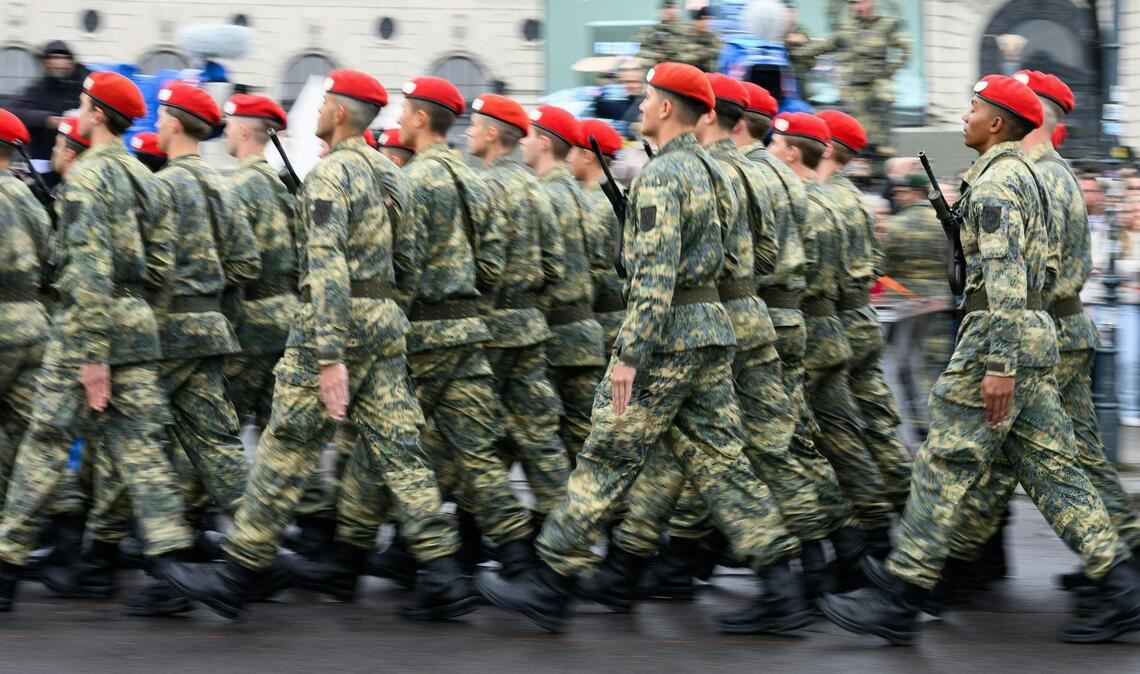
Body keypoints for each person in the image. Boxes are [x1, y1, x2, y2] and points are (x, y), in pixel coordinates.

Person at [476, 62, 810, 637]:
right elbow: (744, 262)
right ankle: (782, 584)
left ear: (663, 109)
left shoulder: (662, 175)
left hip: (668, 336)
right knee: (722, 463)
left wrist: (630, 354)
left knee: (607, 452)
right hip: (711, 327)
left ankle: (551, 579)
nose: (639, 104)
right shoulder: (718, 171)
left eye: (648, 96)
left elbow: (653, 274)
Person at [818, 74, 1140, 646]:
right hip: (1031, 336)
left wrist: (1000, 364)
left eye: (972, 107)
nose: (963, 117)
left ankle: (904, 592)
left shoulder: (999, 185)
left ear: (997, 123)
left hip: (999, 335)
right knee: (1053, 469)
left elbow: (1008, 278)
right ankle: (1121, 585)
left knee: (945, 462)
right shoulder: (1025, 174)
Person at [174, 70, 474, 622]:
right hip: (383, 323)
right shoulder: (392, 175)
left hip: (331, 326)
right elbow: (407, 263)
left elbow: (327, 263)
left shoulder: (328, 176)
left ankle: (238, 571)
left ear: (339, 113)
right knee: (402, 453)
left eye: (321, 107)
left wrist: (331, 353)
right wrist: (385, 316)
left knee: (286, 445)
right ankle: (443, 573)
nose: (314, 116)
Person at [581, 73, 838, 616]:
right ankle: (805, 567)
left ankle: (638, 563)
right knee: (737, 446)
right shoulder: (768, 173)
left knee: (710, 450)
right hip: (760, 315)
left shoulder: (709, 170)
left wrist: (703, 291)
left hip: (706, 321)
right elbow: (767, 257)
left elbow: (670, 265)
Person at [289, 75, 537, 592]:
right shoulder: (477, 178)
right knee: (476, 451)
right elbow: (491, 264)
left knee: (383, 444)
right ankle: (519, 563)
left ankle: (351, 558)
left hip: (425, 334)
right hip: (469, 328)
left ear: (421, 119)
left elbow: (401, 261)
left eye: (404, 112)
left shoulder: (414, 180)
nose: (398, 121)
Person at [0, 71, 203, 612]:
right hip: (135, 321)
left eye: (85, 103)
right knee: (142, 443)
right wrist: (135, 316)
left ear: (94, 114)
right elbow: (161, 265)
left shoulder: (87, 179)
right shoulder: (146, 177)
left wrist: (93, 353)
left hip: (84, 329)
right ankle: (170, 563)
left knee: (43, 443)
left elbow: (87, 268)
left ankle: (6, 564)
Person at [942, 71, 1140, 603]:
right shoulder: (1045, 170)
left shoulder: (1040, 174)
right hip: (1054, 327)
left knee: (1041, 456)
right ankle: (1113, 562)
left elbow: (1024, 274)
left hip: (1044, 327)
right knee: (1055, 455)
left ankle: (1116, 566)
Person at [733, 83, 870, 582]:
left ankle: (828, 547)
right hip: (819, 321)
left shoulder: (778, 186)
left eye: (777, 144)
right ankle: (843, 541)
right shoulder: (831, 197)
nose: (771, 150)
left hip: (787, 321)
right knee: (816, 435)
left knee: (783, 441)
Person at [768, 112, 895, 554]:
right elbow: (874, 264)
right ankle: (876, 521)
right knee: (853, 429)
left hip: (818, 322)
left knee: (803, 434)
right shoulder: (854, 198)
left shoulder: (808, 200)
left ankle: (833, 536)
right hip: (851, 318)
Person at [465, 93, 571, 522]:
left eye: (474, 126)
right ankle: (562, 527)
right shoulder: (536, 188)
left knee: (469, 433)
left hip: (491, 329)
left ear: (492, 135)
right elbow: (555, 265)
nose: (468, 133)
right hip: (530, 327)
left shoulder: (482, 187)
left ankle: (482, 533)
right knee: (538, 434)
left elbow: (474, 265)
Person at [817, 109, 913, 515]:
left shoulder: (822, 195)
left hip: (834, 320)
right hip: (860, 318)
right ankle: (911, 501)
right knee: (875, 421)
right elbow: (874, 263)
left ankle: (864, 517)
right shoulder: (858, 198)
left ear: (826, 146)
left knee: (831, 425)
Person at [521, 105, 607, 462]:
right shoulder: (587, 198)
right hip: (585, 331)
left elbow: (534, 269)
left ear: (543, 143)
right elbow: (602, 268)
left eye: (527, 135)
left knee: (532, 430)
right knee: (583, 437)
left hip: (553, 333)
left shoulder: (541, 195)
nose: (522, 143)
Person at [219, 94, 300, 434]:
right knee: (280, 438)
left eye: (227, 126)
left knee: (216, 434)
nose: (225, 133)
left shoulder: (238, 187)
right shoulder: (279, 184)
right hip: (286, 318)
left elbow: (232, 263)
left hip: (250, 325)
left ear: (241, 130)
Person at [798, 0, 911, 161]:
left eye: (860, 3)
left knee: (884, 97)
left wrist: (889, 71)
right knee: (860, 130)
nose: (856, 8)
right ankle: (863, 155)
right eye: (853, 4)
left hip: (876, 84)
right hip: (854, 87)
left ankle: (881, 152)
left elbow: (905, 50)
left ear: (871, 3)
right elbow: (826, 46)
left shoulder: (885, 26)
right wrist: (796, 53)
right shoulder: (847, 29)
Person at [568, 119, 626, 348]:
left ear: (588, 156)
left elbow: (591, 269)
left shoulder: (593, 204)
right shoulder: (618, 194)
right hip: (620, 319)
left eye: (572, 149)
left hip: (602, 322)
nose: (567, 157)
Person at [10, 41, 91, 188]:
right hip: (43, 165)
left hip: (74, 164)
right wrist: (49, 120)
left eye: (64, 59)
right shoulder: (37, 90)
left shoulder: (80, 86)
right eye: (54, 59)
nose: (59, 64)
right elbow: (17, 112)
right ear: (46, 63)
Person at [635, 1, 691, 68]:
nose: (669, 11)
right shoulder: (651, 31)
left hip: (681, 66)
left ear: (678, 10)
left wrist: (677, 57)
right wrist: (657, 56)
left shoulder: (686, 30)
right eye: (666, 8)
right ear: (660, 11)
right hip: (657, 66)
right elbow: (641, 51)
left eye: (672, 8)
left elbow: (693, 51)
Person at [690, 6, 722, 73]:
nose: (705, 22)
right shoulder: (688, 35)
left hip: (708, 75)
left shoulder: (713, 37)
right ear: (695, 21)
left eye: (707, 19)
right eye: (702, 19)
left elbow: (717, 51)